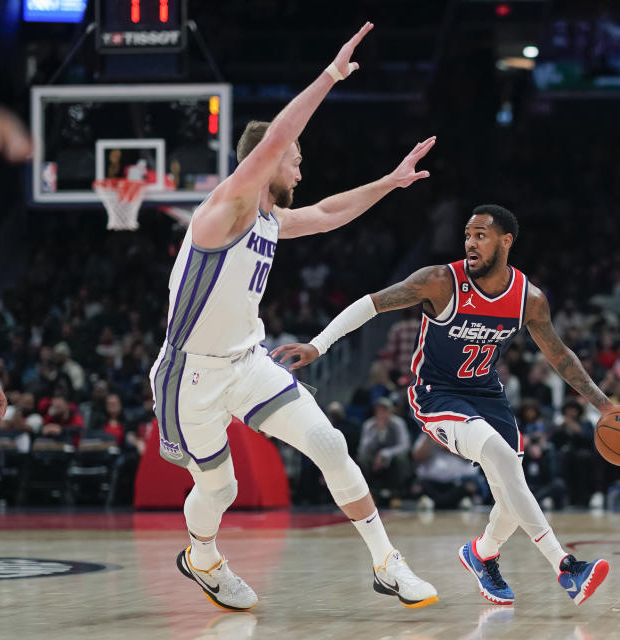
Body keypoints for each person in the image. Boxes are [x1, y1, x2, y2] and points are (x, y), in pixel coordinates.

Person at [148, 23, 438, 611]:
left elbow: (329, 212)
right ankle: (201, 556)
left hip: (247, 361)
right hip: (191, 373)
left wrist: (391, 181)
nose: (301, 171)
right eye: (295, 160)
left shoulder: (270, 221)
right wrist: (330, 75)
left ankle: (386, 562)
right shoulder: (224, 209)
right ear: (271, 159)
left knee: (329, 443)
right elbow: (282, 134)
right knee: (220, 487)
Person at [277, 204, 612, 606]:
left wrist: (604, 406)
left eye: (481, 235)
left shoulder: (529, 299)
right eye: (468, 235)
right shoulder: (440, 281)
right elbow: (371, 304)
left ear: (506, 242)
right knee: (503, 460)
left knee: (510, 491)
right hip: (436, 393)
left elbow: (560, 356)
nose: (470, 242)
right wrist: (319, 344)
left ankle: (482, 554)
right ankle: (566, 567)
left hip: (487, 393)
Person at [357, 397, 410, 505]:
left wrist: (386, 454)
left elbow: (405, 445)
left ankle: (396, 495)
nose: (381, 413)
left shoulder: (398, 423)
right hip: (373, 458)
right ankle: (369, 494)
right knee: (362, 458)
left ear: (391, 411)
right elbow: (363, 448)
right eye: (379, 410)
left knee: (400, 459)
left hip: (392, 457)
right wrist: (377, 432)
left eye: (384, 410)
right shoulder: (369, 424)